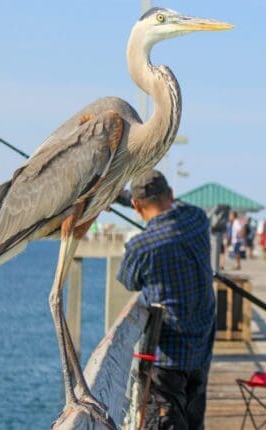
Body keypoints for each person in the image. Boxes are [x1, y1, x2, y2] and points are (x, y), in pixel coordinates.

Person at [117, 170, 215, 429]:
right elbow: (177, 206)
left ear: (137, 206)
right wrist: (125, 199)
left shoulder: (141, 247)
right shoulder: (197, 220)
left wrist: (122, 199)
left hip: (166, 360)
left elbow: (128, 280)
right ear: (170, 194)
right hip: (200, 349)